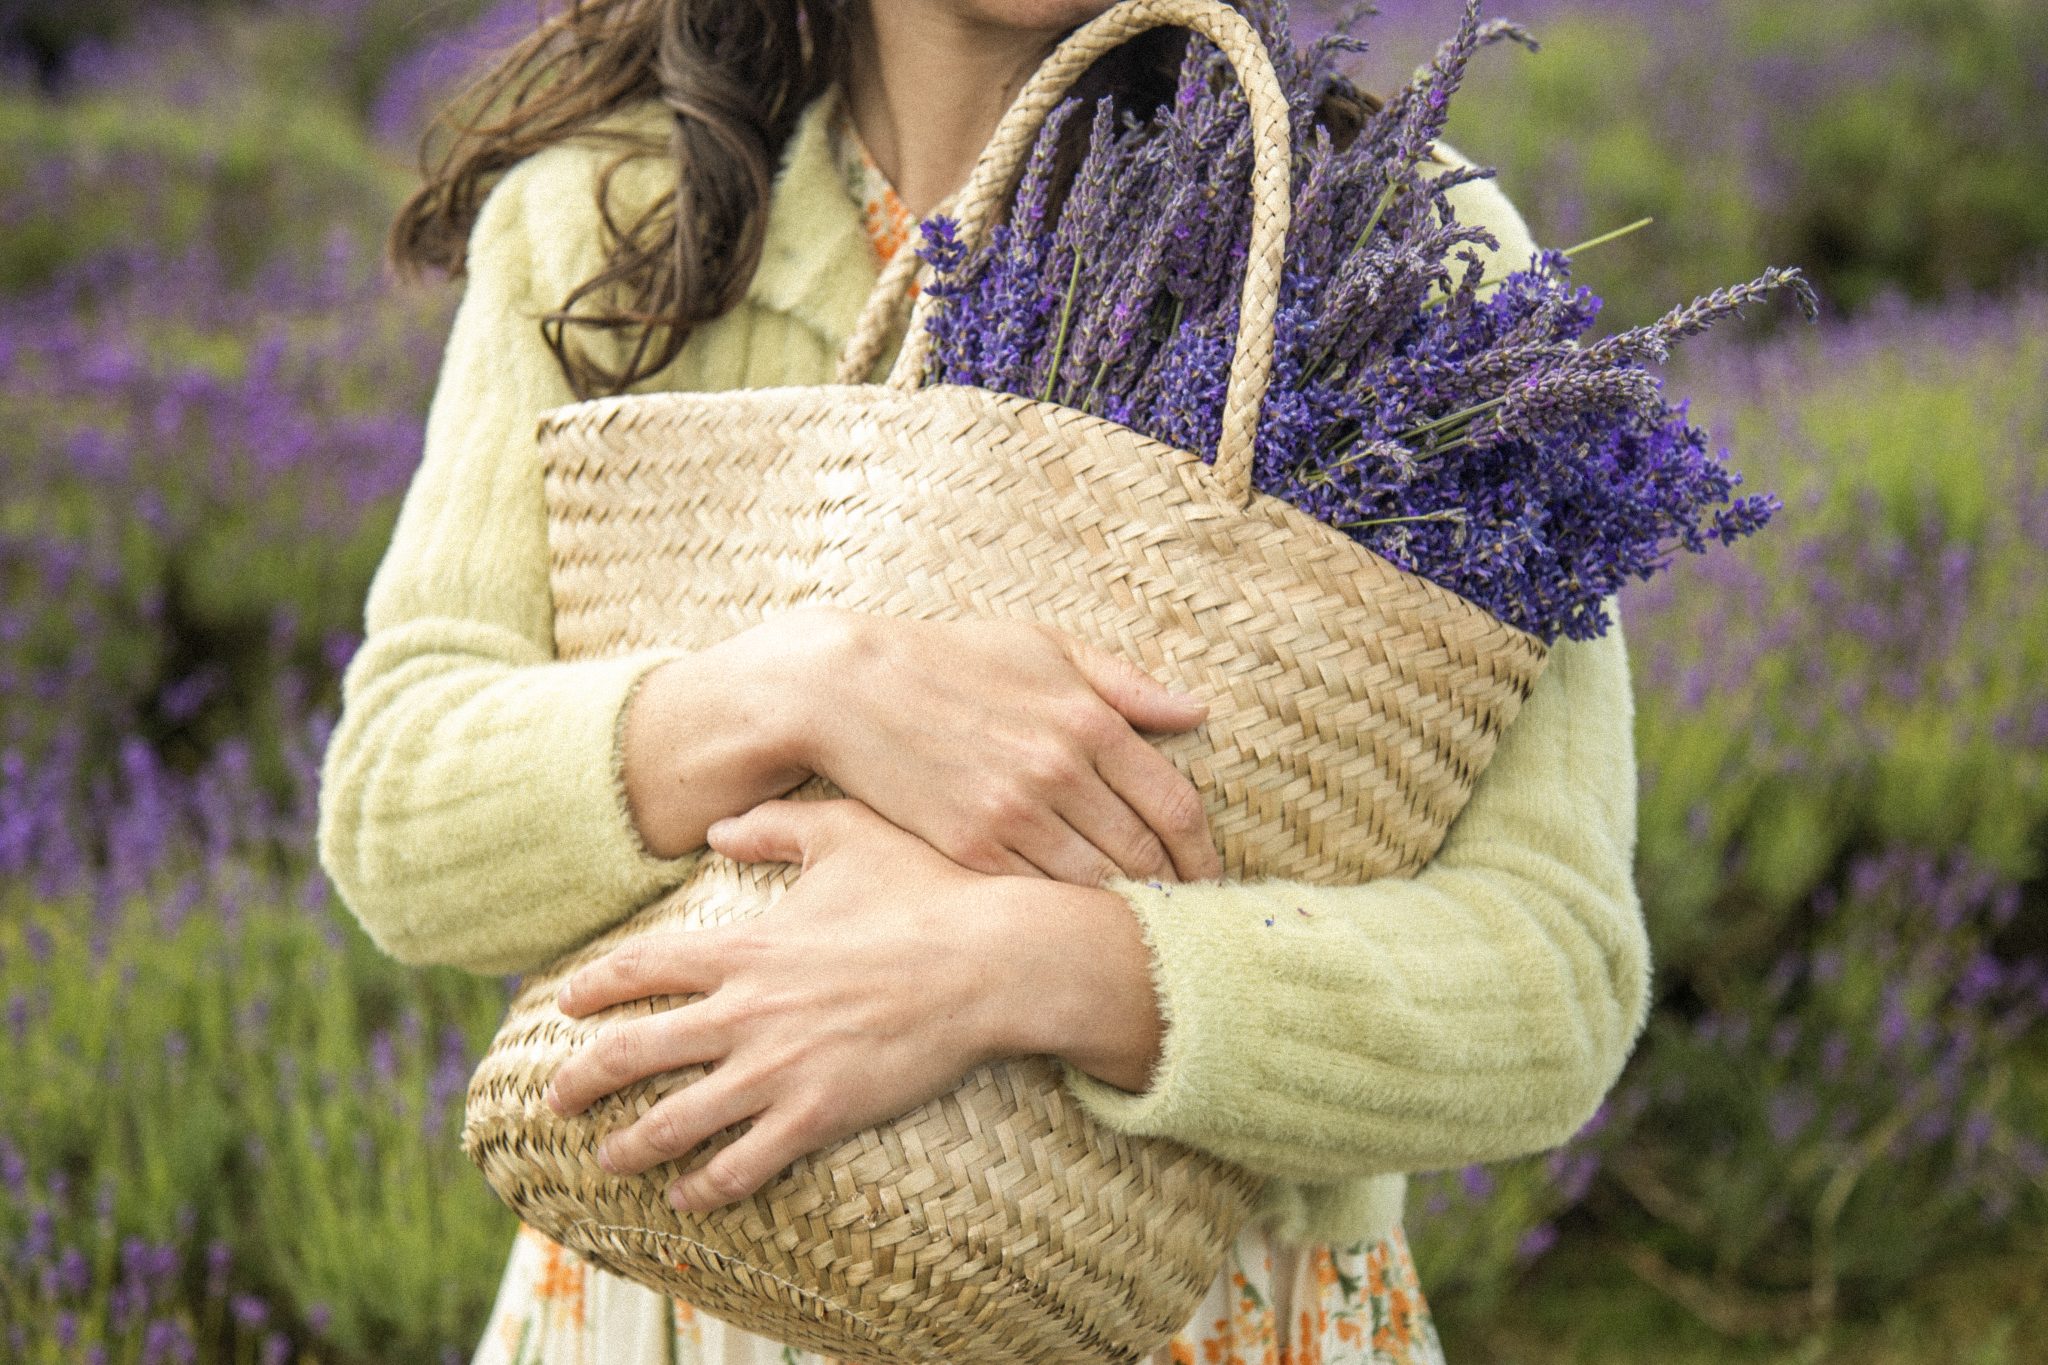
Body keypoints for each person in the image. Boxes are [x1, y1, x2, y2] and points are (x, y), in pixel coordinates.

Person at [314, 0, 1654, 1360]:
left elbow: (1552, 981)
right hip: (671, 1277)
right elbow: (394, 808)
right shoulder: (607, 217)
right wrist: (804, 689)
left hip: (1180, 1315)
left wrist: (1032, 967)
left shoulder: (1393, 239)